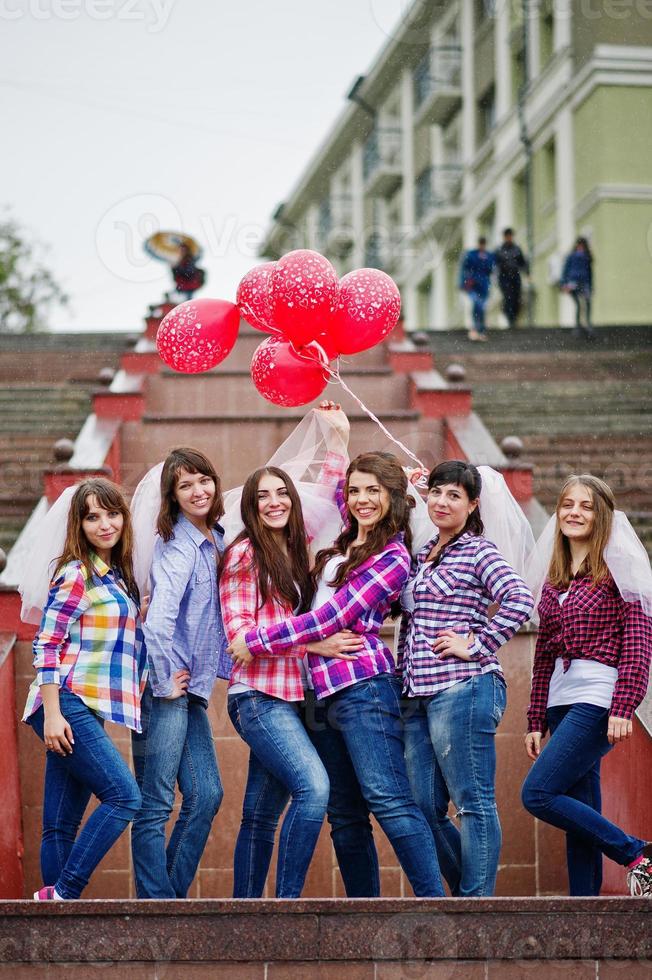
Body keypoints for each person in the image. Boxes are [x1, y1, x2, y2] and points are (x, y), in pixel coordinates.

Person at [229, 452, 445, 898]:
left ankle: (437, 904)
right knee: (344, 814)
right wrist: (338, 442)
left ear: (393, 499)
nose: (362, 500)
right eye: (356, 491)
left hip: (363, 686)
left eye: (375, 490)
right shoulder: (346, 539)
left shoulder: (392, 557)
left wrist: (257, 640)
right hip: (317, 694)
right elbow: (326, 499)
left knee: (387, 798)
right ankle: (363, 910)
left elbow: (333, 616)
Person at [220, 404, 363, 899]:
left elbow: (328, 491)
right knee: (315, 788)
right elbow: (239, 636)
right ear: (251, 507)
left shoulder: (296, 545)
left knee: (260, 816)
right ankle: (285, 907)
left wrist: (338, 438)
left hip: (292, 697)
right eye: (264, 496)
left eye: (283, 492)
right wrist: (316, 640)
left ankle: (244, 914)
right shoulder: (244, 554)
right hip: (258, 698)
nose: (276, 501)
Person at [398, 461, 534, 896]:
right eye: (436, 492)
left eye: (454, 495)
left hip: (464, 686)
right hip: (417, 694)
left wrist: (475, 643)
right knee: (422, 805)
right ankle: (468, 896)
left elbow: (519, 598)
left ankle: (477, 904)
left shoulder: (479, 550)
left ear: (473, 504)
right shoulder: (423, 555)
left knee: (472, 802)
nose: (441, 501)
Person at [522, 475, 652, 896]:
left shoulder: (619, 572)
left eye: (586, 506)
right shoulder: (556, 576)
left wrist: (623, 704)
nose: (574, 512)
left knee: (538, 793)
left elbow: (637, 641)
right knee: (580, 808)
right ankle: (585, 905)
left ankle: (636, 853)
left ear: (602, 517)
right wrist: (535, 717)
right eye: (567, 504)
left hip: (597, 698)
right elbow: (543, 652)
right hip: (561, 701)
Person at [22, 478, 147, 901]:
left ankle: (54, 915)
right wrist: (54, 712)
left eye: (111, 513)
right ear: (80, 524)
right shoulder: (77, 574)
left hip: (81, 705)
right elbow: (46, 642)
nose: (104, 523)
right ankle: (66, 893)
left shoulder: (115, 577)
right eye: (92, 516)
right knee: (124, 796)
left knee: (60, 822)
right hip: (63, 700)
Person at [131, 448, 232, 899]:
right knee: (154, 803)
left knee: (207, 795)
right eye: (185, 485)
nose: (198, 491)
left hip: (191, 691)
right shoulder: (178, 547)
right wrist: (164, 681)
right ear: (172, 497)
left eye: (203, 479)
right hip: (167, 690)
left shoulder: (218, 539)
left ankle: (166, 899)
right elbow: (157, 622)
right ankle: (159, 906)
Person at [459, 236, 495, 341]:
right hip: (473, 285)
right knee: (477, 304)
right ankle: (477, 328)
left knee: (481, 307)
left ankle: (479, 329)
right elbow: (464, 269)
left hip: (484, 285)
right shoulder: (471, 255)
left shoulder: (488, 256)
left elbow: (491, 269)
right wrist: (463, 283)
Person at [560, 237, 594, 339]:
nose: (580, 248)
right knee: (579, 304)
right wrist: (564, 284)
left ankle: (587, 324)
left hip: (584, 283)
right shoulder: (572, 257)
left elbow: (590, 273)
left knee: (587, 303)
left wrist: (591, 285)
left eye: (582, 246)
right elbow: (565, 270)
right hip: (573, 283)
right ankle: (578, 325)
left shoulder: (586, 258)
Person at [495, 227, 529, 329]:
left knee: (516, 298)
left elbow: (523, 262)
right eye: (507, 236)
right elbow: (495, 264)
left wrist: (527, 273)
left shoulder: (517, 249)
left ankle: (513, 317)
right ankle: (510, 319)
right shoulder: (499, 250)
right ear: (504, 237)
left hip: (515, 276)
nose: (509, 238)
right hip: (504, 277)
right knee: (508, 297)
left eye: (510, 236)